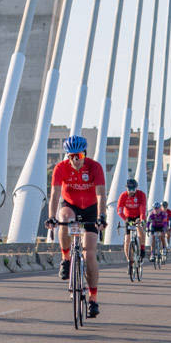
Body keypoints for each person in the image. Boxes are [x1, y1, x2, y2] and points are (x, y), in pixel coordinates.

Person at [46, 135, 106, 318]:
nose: (75, 160)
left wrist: (101, 217)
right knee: (64, 218)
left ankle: (93, 299)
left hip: (90, 210)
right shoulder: (61, 168)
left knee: (89, 255)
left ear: (84, 154)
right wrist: (51, 217)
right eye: (71, 156)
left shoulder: (95, 167)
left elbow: (101, 195)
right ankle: (66, 258)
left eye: (78, 156)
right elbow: (55, 194)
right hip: (70, 205)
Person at [117, 177, 147, 273]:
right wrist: (126, 220)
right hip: (128, 217)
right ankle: (129, 261)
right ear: (126, 189)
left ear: (136, 188)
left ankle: (142, 249)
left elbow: (142, 209)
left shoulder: (141, 195)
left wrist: (142, 220)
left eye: (133, 189)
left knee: (140, 229)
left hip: (138, 216)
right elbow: (119, 211)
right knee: (127, 240)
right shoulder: (123, 196)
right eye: (129, 189)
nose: (131, 191)